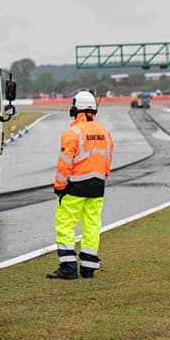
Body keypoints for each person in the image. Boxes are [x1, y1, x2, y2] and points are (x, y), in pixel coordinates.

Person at [47, 90, 115, 280]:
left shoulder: (72, 133)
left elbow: (64, 163)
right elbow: (108, 159)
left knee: (65, 225)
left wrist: (59, 186)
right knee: (92, 225)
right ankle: (88, 267)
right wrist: (101, 177)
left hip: (74, 188)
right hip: (97, 187)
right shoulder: (105, 132)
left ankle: (68, 267)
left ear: (79, 110)